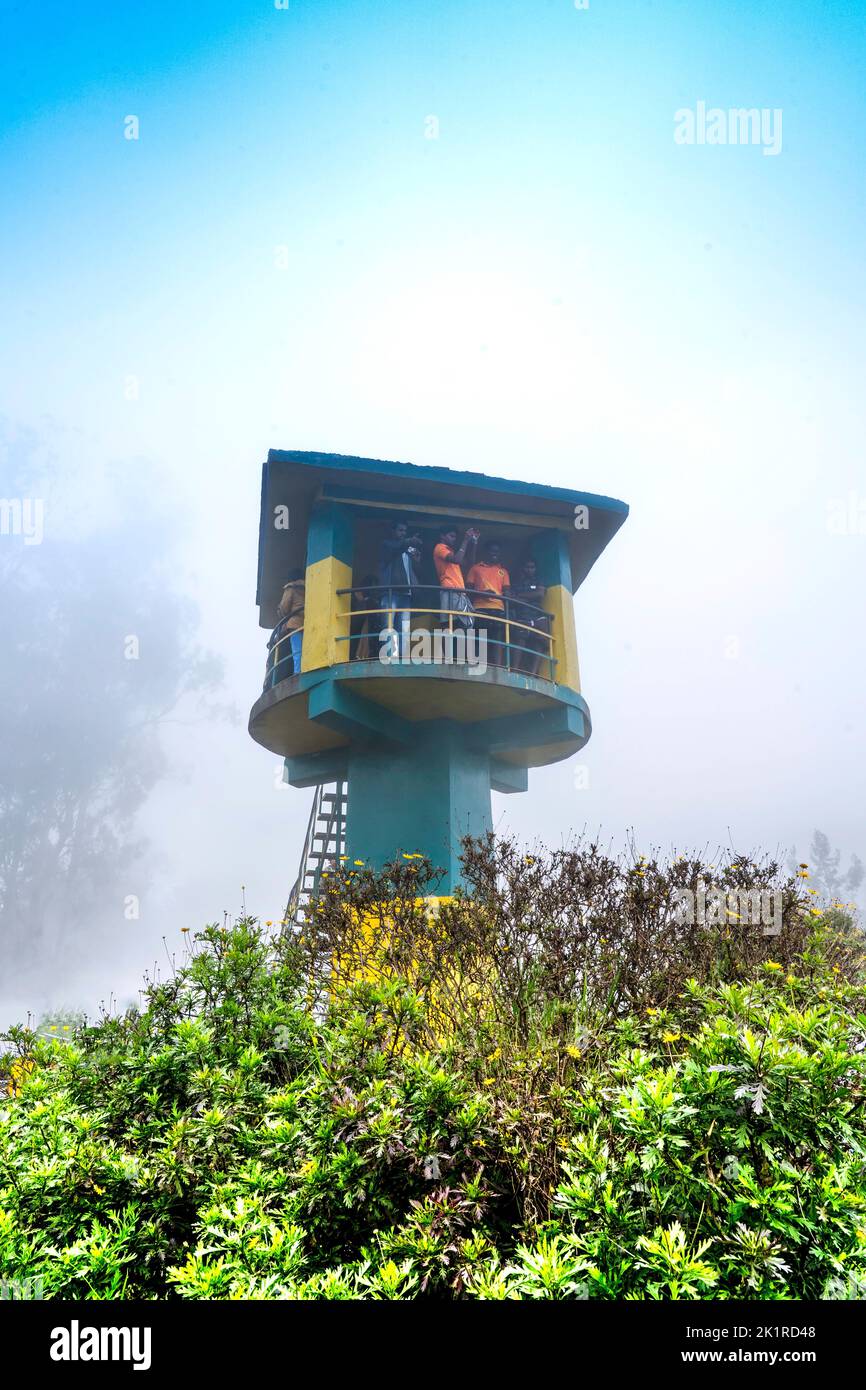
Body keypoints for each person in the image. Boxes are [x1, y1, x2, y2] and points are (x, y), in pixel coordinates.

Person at [466, 541, 511, 667]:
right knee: (480, 637)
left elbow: (507, 591)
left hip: (498, 608)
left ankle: (498, 667)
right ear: (486, 552)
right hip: (480, 608)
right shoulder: (475, 568)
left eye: (497, 551)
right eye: (492, 550)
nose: (495, 554)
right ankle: (477, 665)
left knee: (497, 639)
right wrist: (483, 593)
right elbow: (468, 590)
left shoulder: (503, 571)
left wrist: (503, 595)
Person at [378, 520, 422, 650]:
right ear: (392, 531)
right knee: (388, 627)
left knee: (404, 629)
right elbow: (396, 548)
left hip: (406, 595)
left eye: (405, 531)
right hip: (391, 594)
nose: (403, 533)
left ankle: (401, 659)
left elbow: (416, 571)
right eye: (400, 530)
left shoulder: (406, 551)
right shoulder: (387, 545)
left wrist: (417, 560)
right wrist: (409, 542)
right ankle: (389, 658)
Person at [433, 524, 478, 634]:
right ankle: (447, 651)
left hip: (459, 593)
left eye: (455, 537)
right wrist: (465, 540)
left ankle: (456, 651)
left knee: (461, 625)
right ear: (442, 536)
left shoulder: (452, 553)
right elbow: (457, 560)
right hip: (449, 591)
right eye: (451, 536)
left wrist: (474, 543)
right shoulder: (440, 547)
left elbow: (470, 563)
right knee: (449, 625)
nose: (454, 539)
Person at [511, 557, 549, 676]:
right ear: (523, 568)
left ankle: (533, 673)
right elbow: (513, 599)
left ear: (535, 569)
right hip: (522, 615)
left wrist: (521, 597)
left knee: (540, 641)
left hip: (537, 616)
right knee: (520, 639)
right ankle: (515, 670)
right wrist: (529, 596)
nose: (529, 570)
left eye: (532, 567)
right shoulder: (516, 582)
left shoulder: (539, 580)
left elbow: (540, 594)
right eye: (527, 567)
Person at [275, 567, 305, 675]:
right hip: (308, 623)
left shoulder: (291, 588)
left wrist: (279, 609)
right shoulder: (308, 588)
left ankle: (297, 672)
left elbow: (284, 608)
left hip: (295, 623)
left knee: (297, 650)